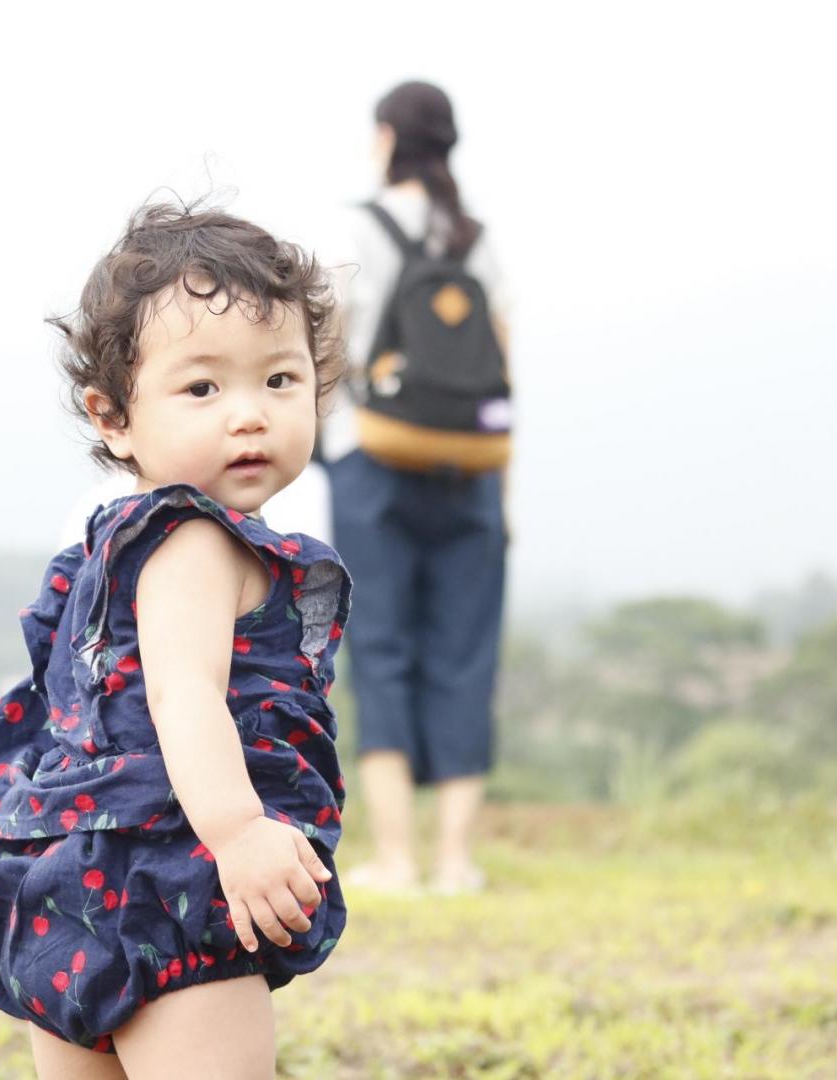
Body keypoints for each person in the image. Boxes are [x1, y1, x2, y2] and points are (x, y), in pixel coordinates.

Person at [0, 203, 352, 1079]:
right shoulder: (197, 539)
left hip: (66, 880)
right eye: (203, 389)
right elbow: (184, 693)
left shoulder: (109, 538)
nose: (249, 416)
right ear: (114, 417)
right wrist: (241, 831)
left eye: (281, 381)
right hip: (171, 879)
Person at [322, 80, 513, 895]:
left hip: (374, 457)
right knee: (466, 653)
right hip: (472, 466)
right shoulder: (477, 241)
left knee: (383, 648)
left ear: (388, 136)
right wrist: (505, 488)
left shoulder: (356, 227)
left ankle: (397, 859)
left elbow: (327, 350)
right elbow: (504, 367)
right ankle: (455, 861)